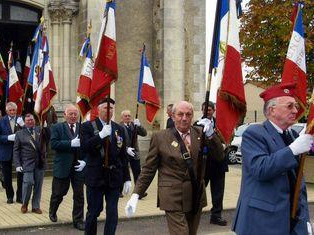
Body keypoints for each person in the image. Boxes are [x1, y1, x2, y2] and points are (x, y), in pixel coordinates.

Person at [125, 101, 224, 235]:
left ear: (193, 116)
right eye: (180, 114)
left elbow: (219, 156)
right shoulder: (160, 137)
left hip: (196, 194)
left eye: (188, 114)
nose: (184, 118)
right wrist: (136, 194)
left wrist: (212, 135)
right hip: (172, 195)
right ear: (172, 116)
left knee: (191, 232)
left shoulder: (200, 134)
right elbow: (149, 169)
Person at [232, 83, 314, 235]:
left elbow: (299, 185)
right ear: (271, 110)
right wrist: (292, 150)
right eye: (289, 106)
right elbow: (260, 169)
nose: (296, 110)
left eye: (295, 106)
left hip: (292, 221)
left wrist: (305, 220)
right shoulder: (254, 134)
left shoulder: (292, 136)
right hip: (262, 221)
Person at [81, 98, 131, 235]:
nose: (109, 111)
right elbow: (84, 147)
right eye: (105, 108)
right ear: (98, 110)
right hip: (95, 177)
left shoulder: (119, 128)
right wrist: (101, 136)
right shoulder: (88, 126)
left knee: (112, 212)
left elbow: (122, 155)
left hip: (114, 177)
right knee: (93, 211)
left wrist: (127, 178)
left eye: (111, 109)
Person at [49, 104, 85, 230]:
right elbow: (53, 144)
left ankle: (78, 220)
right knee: (58, 193)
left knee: (79, 195)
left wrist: (85, 161)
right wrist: (70, 143)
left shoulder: (82, 128)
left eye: (75, 114)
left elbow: (87, 147)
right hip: (62, 166)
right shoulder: (57, 127)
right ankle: (52, 210)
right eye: (70, 113)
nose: (73, 116)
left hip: (78, 167)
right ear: (65, 115)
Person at [194, 101, 228, 226]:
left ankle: (216, 216)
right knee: (200, 191)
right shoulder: (197, 124)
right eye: (204, 110)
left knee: (218, 192)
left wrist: (225, 145)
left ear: (213, 110)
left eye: (209, 110)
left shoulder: (220, 123)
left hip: (219, 163)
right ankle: (195, 213)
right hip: (204, 164)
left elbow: (227, 136)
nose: (206, 112)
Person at [13, 113, 48, 214]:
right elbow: (16, 150)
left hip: (40, 162)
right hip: (27, 163)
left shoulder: (40, 130)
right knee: (28, 183)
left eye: (32, 120)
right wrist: (18, 164)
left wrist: (46, 127)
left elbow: (48, 138)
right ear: (24, 122)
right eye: (28, 120)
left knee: (38, 185)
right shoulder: (20, 133)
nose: (30, 122)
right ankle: (25, 204)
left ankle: (35, 206)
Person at [0, 102, 24, 204]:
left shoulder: (21, 119)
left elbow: (28, 133)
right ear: (6, 111)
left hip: (19, 152)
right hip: (5, 151)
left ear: (16, 110)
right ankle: (10, 196)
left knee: (21, 175)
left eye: (14, 110)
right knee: (7, 176)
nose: (12, 112)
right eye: (10, 110)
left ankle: (20, 196)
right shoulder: (0, 121)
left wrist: (23, 126)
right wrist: (7, 138)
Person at [120, 109, 148, 199]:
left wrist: (139, 126)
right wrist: (126, 149)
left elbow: (144, 134)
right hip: (124, 153)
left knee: (137, 172)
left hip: (134, 153)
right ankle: (119, 191)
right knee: (122, 171)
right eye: (126, 116)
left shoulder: (134, 125)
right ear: (122, 117)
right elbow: (117, 141)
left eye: (129, 116)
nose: (128, 117)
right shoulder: (119, 127)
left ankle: (139, 192)